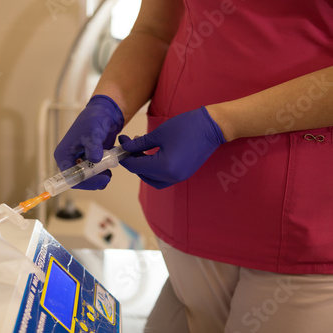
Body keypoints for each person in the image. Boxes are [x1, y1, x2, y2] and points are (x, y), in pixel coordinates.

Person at [54, 0, 333, 332]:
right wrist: (108, 104)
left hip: (301, 223)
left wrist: (222, 124)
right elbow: (154, 31)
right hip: (186, 205)